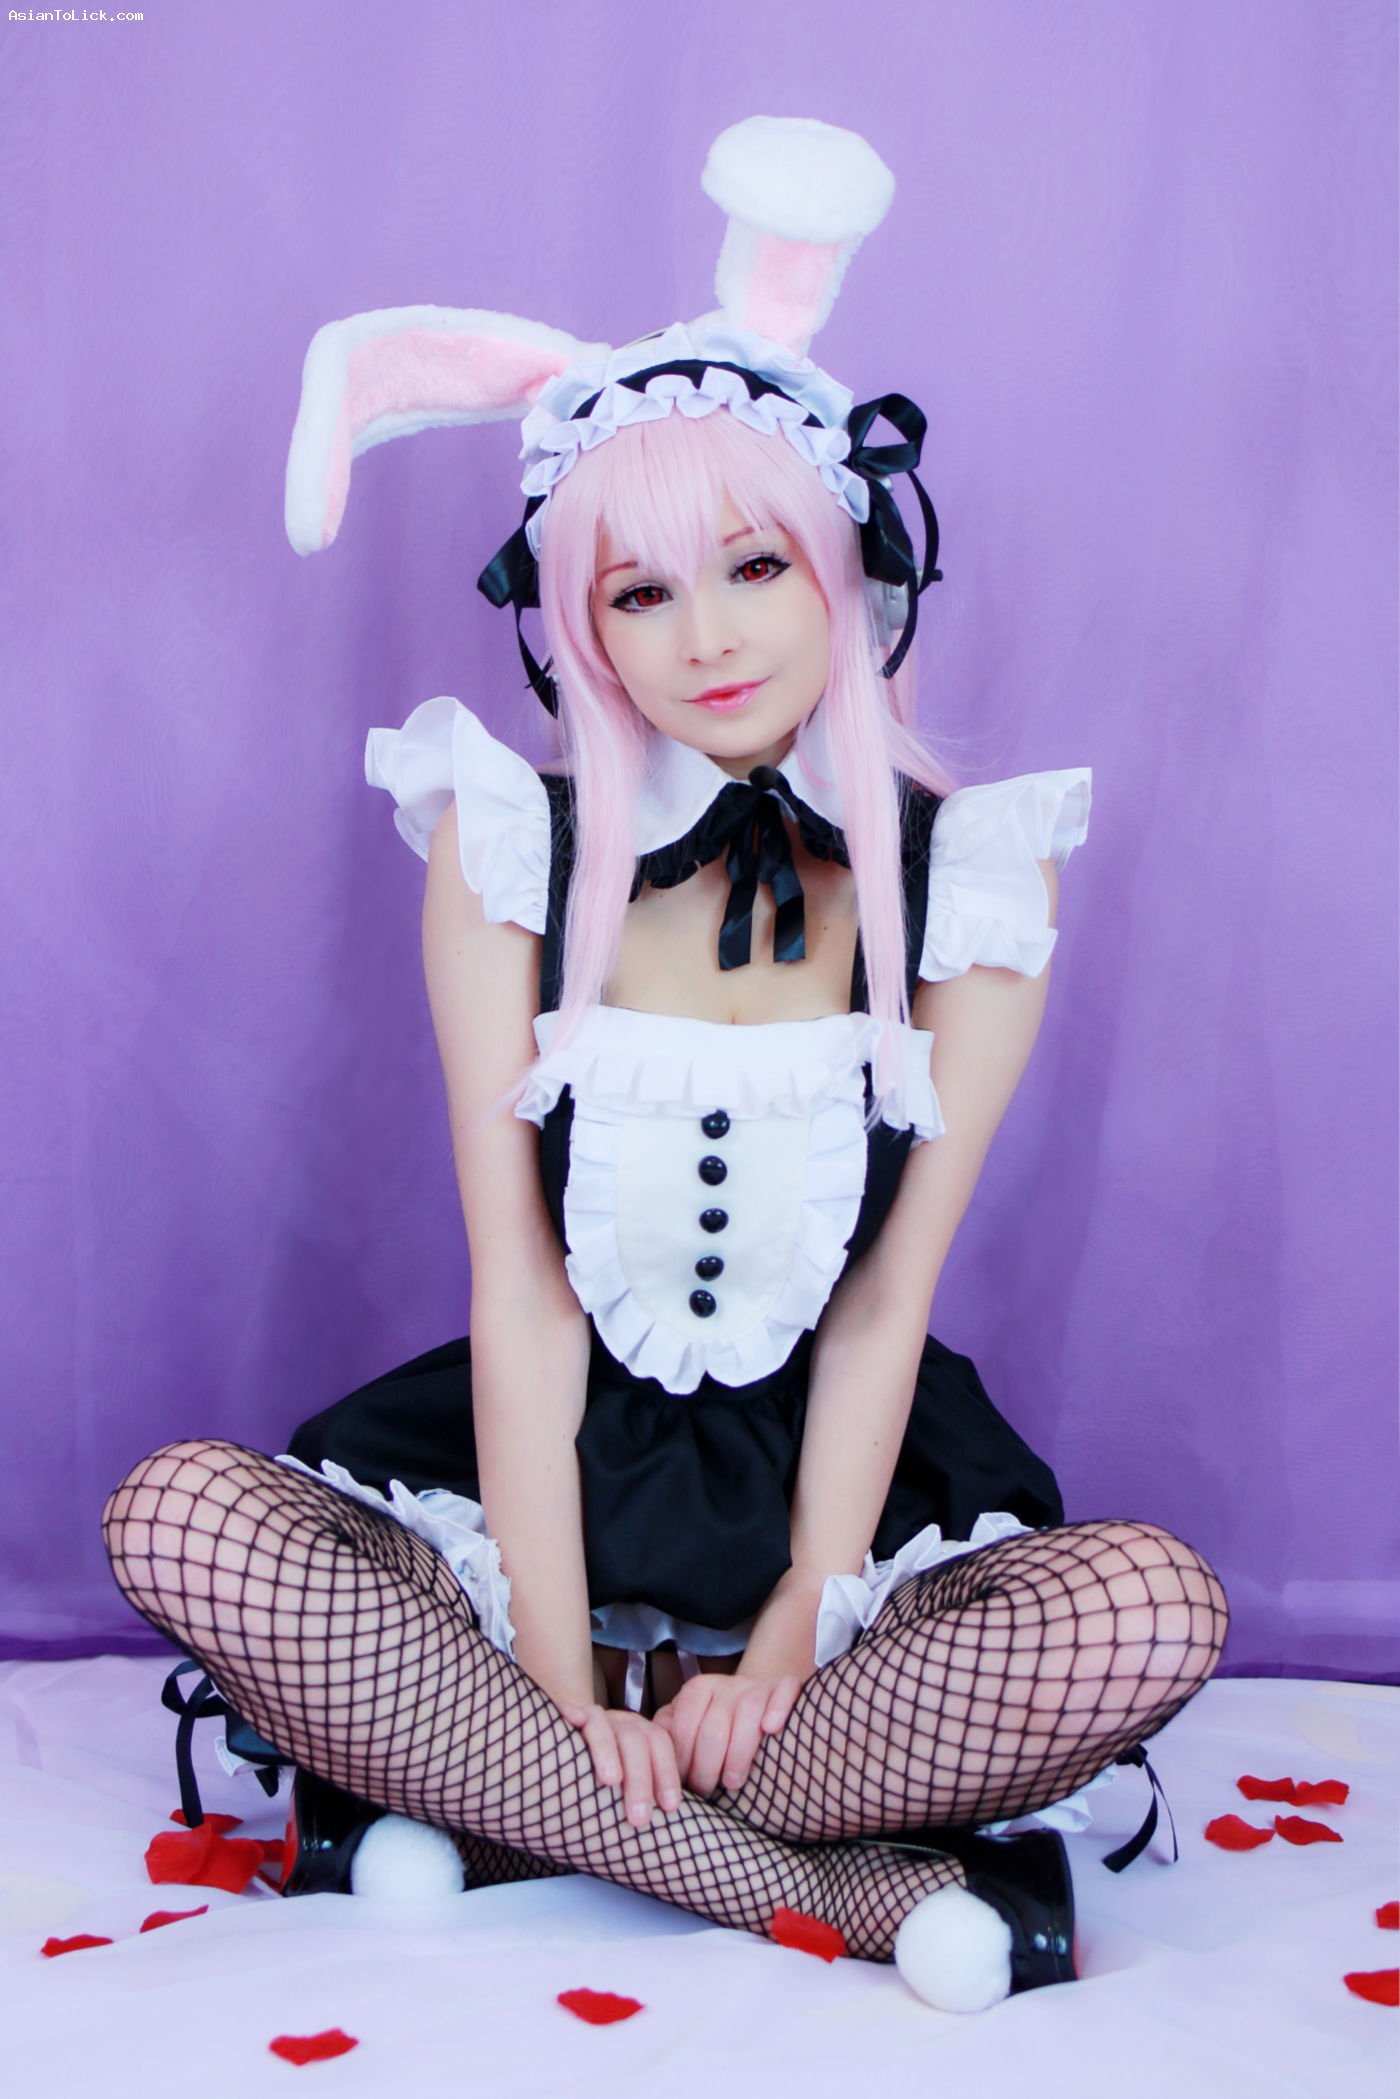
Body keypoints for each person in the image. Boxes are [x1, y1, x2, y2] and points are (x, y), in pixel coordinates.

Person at [100, 117, 1228, 2013]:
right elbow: (522, 1285)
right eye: (638, 593)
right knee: (184, 1520)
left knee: (1142, 1613)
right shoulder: (506, 844)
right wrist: (554, 1668)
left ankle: (484, 1805)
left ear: (845, 568)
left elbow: (886, 1296)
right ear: (577, 627)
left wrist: (794, 1629)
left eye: (753, 567)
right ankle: (833, 1878)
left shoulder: (974, 873)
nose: (706, 640)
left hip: (837, 1501)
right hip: (536, 1479)